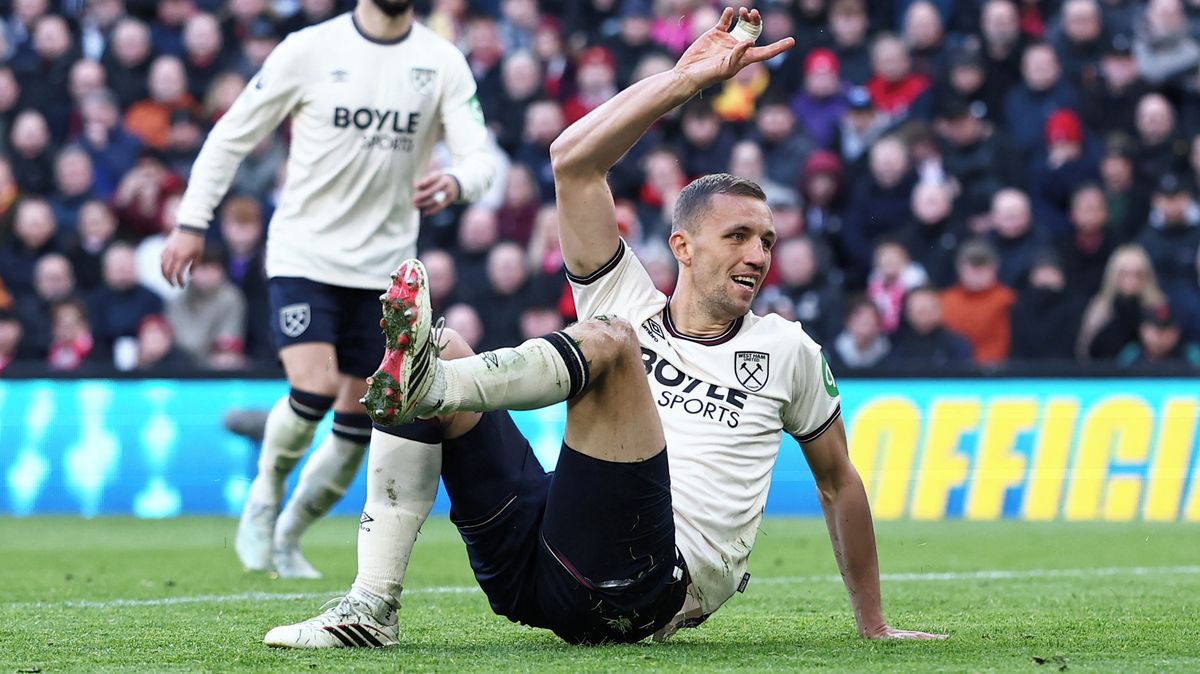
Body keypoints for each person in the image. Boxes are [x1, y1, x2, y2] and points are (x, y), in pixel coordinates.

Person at [264, 7, 943, 648]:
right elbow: (572, 161)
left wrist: (874, 625)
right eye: (738, 236)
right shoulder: (626, 295)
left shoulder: (786, 349)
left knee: (611, 345)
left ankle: (431, 386)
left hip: (645, 588)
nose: (759, 255)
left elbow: (838, 482)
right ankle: (370, 606)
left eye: (766, 240)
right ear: (682, 247)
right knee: (461, 339)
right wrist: (683, 83)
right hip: (546, 566)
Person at [159, 0, 496, 578]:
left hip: (384, 273)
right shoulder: (309, 49)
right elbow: (230, 136)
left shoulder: (441, 61)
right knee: (312, 388)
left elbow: (480, 157)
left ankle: (289, 536)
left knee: (358, 421)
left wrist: (459, 181)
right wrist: (192, 223)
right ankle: (263, 500)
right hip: (305, 254)